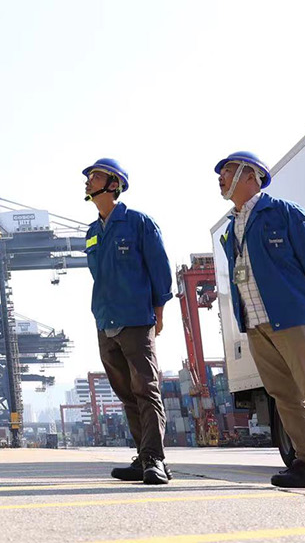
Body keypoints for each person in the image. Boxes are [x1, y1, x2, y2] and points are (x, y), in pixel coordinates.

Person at [216, 152, 305, 491]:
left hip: (293, 316)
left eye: (228, 171)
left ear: (252, 176)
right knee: (284, 396)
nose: (220, 178)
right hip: (255, 322)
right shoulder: (231, 226)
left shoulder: (284, 213)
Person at [81, 158, 172, 486]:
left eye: (95, 176)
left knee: (146, 388)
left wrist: (159, 307)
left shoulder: (138, 223)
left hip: (135, 318)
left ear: (114, 184)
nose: (88, 181)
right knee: (126, 392)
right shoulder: (92, 232)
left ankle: (155, 459)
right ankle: (142, 454)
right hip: (105, 321)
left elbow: (159, 267)